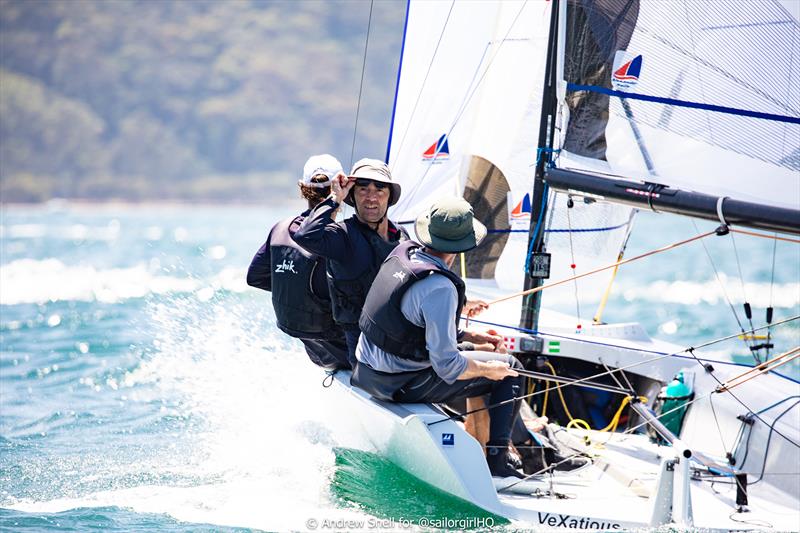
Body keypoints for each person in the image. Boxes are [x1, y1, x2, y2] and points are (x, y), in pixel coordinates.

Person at [352, 196, 529, 478]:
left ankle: (478, 446)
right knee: (511, 369)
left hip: (367, 370)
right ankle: (498, 460)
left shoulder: (402, 255)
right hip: (399, 384)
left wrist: (470, 336)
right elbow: (448, 366)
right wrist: (491, 369)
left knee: (480, 355)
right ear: (461, 247)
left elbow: (408, 326)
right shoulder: (440, 287)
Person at [292, 158, 407, 367]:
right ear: (352, 196)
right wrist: (336, 197)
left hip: (402, 339)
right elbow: (305, 236)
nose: (371, 197)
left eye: (380, 189)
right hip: (364, 350)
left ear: (390, 196)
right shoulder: (341, 235)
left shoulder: (402, 236)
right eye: (363, 190)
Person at [247, 154, 350, 370]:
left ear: (303, 188)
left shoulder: (280, 228)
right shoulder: (336, 237)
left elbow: (255, 278)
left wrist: (296, 288)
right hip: (343, 347)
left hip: (314, 349)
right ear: (341, 185)